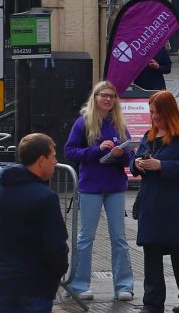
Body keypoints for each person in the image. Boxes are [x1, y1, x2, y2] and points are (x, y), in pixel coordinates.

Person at [0, 133, 68, 313]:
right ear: (41, 161)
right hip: (36, 289)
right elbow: (55, 246)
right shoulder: (46, 197)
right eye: (53, 156)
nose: (55, 161)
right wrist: (55, 274)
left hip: (1, 286)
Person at [130, 91, 179, 313]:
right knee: (151, 254)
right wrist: (138, 164)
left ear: (167, 112)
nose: (153, 118)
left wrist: (162, 166)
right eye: (151, 113)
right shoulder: (148, 136)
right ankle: (152, 304)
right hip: (151, 205)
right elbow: (135, 162)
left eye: (156, 113)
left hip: (176, 205)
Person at [63, 81, 135, 302]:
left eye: (112, 96)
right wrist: (96, 150)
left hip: (115, 185)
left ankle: (124, 285)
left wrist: (119, 153)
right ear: (95, 98)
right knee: (86, 237)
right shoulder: (83, 122)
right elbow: (70, 151)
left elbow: (129, 156)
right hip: (91, 186)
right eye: (103, 95)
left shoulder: (119, 124)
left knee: (120, 238)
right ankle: (79, 284)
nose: (107, 99)